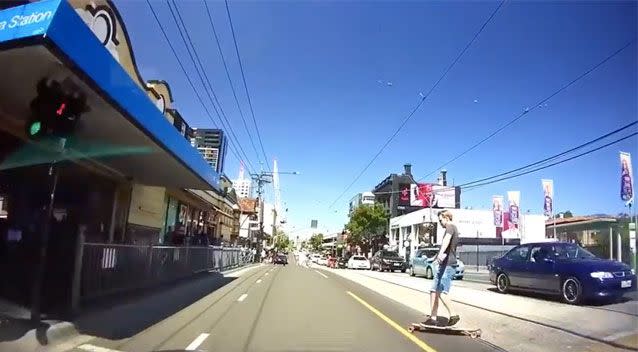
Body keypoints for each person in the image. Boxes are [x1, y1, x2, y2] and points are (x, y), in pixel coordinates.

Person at [423, 210, 460, 327]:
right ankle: (433, 318)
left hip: (449, 265)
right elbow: (444, 247)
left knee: (442, 292)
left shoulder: (451, 227)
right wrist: (435, 257)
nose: (440, 223)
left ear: (446, 218)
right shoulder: (448, 228)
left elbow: (446, 241)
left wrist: (440, 254)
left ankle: (453, 315)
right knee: (434, 291)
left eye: (440, 220)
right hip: (443, 264)